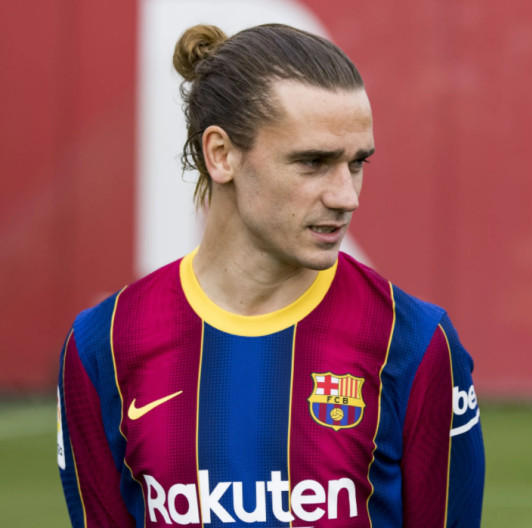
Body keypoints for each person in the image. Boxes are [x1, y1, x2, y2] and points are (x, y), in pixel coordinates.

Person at [57, 23, 484, 527]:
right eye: (313, 162)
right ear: (221, 154)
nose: (346, 196)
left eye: (357, 163)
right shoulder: (103, 344)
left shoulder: (414, 342)